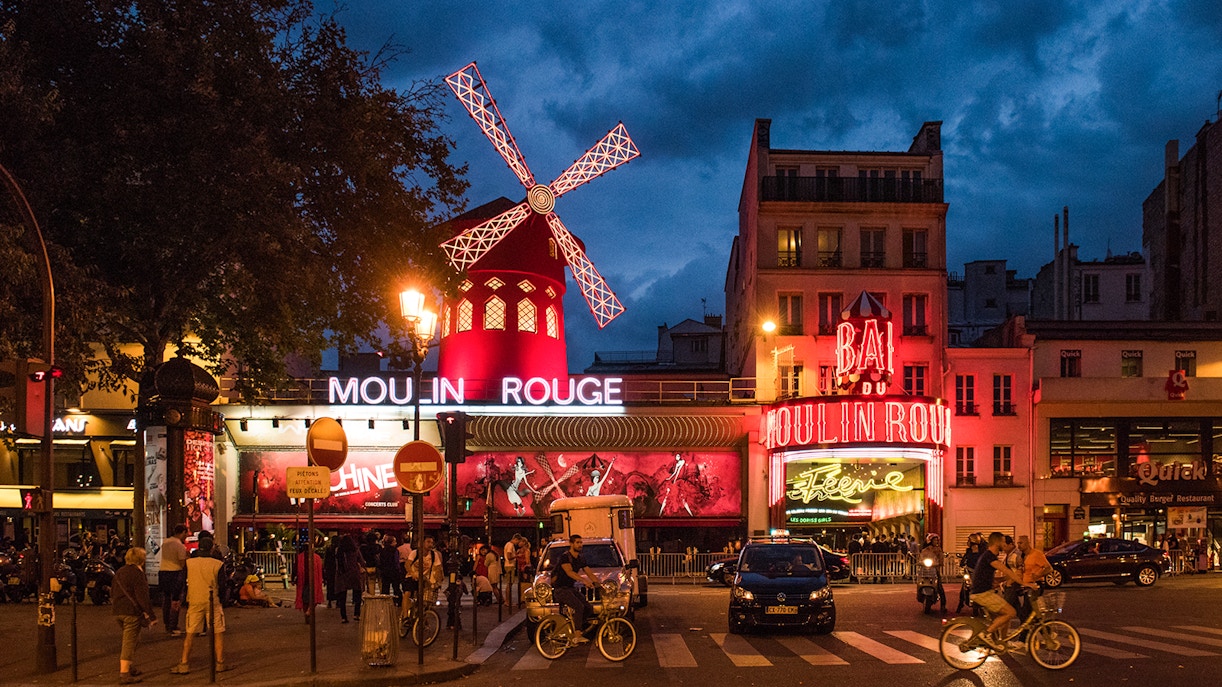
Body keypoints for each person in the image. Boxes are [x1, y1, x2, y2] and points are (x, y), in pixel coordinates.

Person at [171, 537, 232, 674]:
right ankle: (220, 663)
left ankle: (184, 663)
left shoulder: (189, 563)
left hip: (194, 600)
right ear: (211, 548)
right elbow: (222, 585)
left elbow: (180, 582)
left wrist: (176, 598)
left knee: (190, 632)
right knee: (218, 632)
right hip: (213, 600)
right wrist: (222, 600)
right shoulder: (218, 564)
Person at [969, 531, 1027, 650]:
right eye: (1003, 541)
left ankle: (1001, 641)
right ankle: (985, 635)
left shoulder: (989, 555)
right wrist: (1024, 583)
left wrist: (1000, 581)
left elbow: (998, 576)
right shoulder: (989, 556)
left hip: (983, 592)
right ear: (997, 542)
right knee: (1011, 612)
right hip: (982, 594)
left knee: (1002, 615)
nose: (1005, 544)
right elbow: (1007, 571)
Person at [112, 546, 157, 684]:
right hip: (131, 612)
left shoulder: (119, 572)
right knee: (129, 642)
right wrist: (151, 616)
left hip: (118, 610)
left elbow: (113, 590)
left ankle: (129, 666)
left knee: (133, 640)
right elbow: (142, 597)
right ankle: (124, 673)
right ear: (142, 560)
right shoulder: (137, 574)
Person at [552, 534, 600, 643]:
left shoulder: (580, 558)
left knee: (588, 608)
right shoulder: (565, 557)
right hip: (560, 589)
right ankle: (577, 636)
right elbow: (569, 572)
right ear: (571, 544)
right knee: (579, 607)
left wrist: (598, 583)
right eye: (577, 542)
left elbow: (588, 571)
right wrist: (583, 581)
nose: (580, 545)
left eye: (581, 542)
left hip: (570, 588)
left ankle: (575, 628)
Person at [159, 525, 189, 637]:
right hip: (175, 573)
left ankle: (167, 624)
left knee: (166, 599)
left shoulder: (165, 542)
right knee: (176, 600)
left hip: (163, 571)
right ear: (183, 532)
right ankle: (173, 626)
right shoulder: (179, 545)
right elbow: (182, 563)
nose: (186, 536)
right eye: (186, 533)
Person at [403, 535, 442, 619]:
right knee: (407, 593)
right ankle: (405, 616)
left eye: (432, 542)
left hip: (425, 579)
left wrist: (438, 580)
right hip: (412, 577)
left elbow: (438, 568)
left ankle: (423, 618)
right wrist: (412, 573)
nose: (430, 544)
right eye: (428, 542)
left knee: (426, 600)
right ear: (422, 543)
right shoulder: (415, 553)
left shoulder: (434, 555)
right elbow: (407, 565)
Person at [334, 535, 364, 624]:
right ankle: (356, 614)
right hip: (354, 573)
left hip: (342, 574)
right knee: (357, 593)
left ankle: (344, 617)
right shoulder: (355, 550)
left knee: (342, 597)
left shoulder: (339, 550)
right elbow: (361, 561)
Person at [918, 534, 947, 614]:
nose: (936, 542)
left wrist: (940, 563)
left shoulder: (938, 550)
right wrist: (920, 562)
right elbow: (920, 559)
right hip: (925, 571)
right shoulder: (925, 550)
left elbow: (941, 560)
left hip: (935, 571)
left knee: (940, 587)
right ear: (930, 541)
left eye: (937, 540)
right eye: (934, 540)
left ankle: (943, 605)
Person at [378, 535, 403, 599]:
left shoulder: (383, 550)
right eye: (395, 541)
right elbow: (396, 561)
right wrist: (399, 570)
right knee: (396, 588)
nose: (396, 543)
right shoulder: (395, 550)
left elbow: (380, 560)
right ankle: (398, 602)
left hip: (385, 571)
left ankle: (385, 602)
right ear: (391, 542)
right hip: (394, 571)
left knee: (385, 588)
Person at [502, 535, 518, 606]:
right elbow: (509, 557)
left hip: (508, 565)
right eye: (517, 541)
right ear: (515, 539)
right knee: (509, 583)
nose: (517, 543)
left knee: (510, 583)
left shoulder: (508, 544)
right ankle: (507, 601)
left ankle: (508, 601)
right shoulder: (510, 545)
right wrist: (516, 556)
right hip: (510, 565)